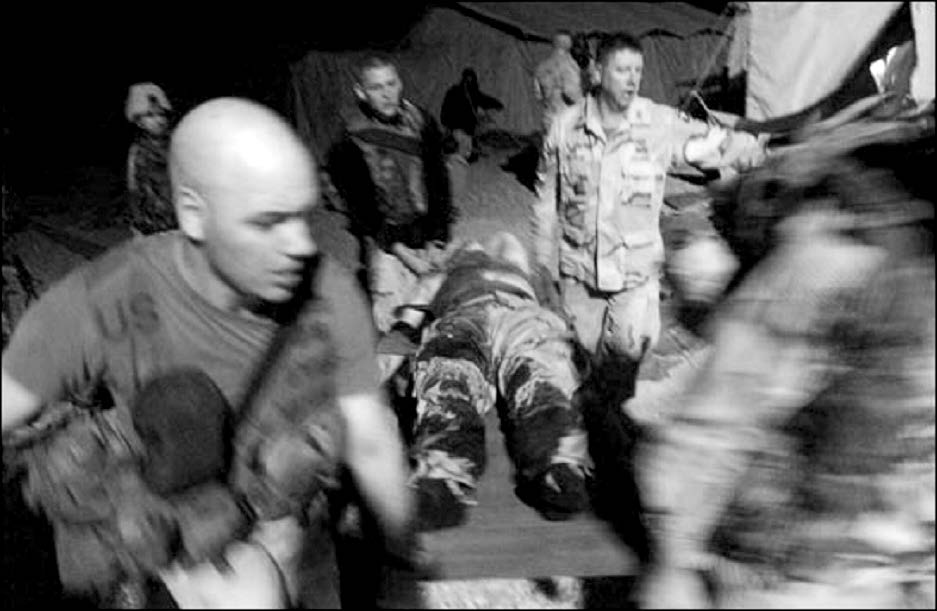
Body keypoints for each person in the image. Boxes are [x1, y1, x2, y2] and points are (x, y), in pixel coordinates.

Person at [2, 98, 414, 608]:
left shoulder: (330, 295)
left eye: (302, 217)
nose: (299, 244)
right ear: (195, 214)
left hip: (272, 526)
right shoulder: (106, 297)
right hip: (154, 542)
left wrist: (402, 574)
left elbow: (370, 441)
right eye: (268, 222)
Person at [635, 103, 935, 608]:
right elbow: (722, 409)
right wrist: (676, 562)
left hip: (890, 566)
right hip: (796, 578)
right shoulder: (841, 258)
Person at [532, 31, 765, 416]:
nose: (631, 79)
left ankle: (616, 440)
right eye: (622, 70)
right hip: (579, 278)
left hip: (635, 278)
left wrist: (760, 154)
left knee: (625, 374)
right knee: (585, 367)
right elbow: (545, 200)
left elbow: (713, 144)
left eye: (637, 71)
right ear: (597, 71)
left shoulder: (656, 123)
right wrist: (543, 263)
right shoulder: (564, 128)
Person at [377, 231, 592, 530]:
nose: (481, 242)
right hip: (479, 313)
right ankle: (446, 475)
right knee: (451, 375)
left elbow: (558, 312)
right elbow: (405, 325)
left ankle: (558, 466)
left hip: (511, 314)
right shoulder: (439, 276)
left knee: (537, 374)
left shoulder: (520, 271)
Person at [327, 54, 455, 335]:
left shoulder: (421, 121)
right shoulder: (350, 140)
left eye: (391, 83)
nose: (387, 94)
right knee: (395, 327)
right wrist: (403, 254)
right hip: (386, 243)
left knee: (436, 319)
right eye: (376, 88)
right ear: (360, 92)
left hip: (427, 237)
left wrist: (437, 238)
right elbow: (362, 212)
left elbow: (438, 183)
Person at [125, 82, 176, 235]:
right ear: (139, 122)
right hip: (152, 222)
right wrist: (137, 222)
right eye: (150, 115)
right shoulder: (138, 151)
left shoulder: (178, 143)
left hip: (179, 219)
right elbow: (133, 189)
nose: (158, 120)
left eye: (161, 114)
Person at [440, 68, 505, 162]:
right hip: (459, 128)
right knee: (464, 149)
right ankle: (460, 160)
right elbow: (446, 108)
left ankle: (464, 157)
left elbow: (485, 100)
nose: (468, 82)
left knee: (466, 149)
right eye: (467, 79)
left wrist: (496, 104)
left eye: (470, 79)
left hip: (465, 129)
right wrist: (446, 122)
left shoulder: (472, 93)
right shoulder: (455, 92)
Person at [534, 30, 583, 134]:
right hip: (566, 120)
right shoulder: (569, 65)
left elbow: (538, 95)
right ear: (568, 44)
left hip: (548, 118)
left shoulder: (541, 66)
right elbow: (572, 94)